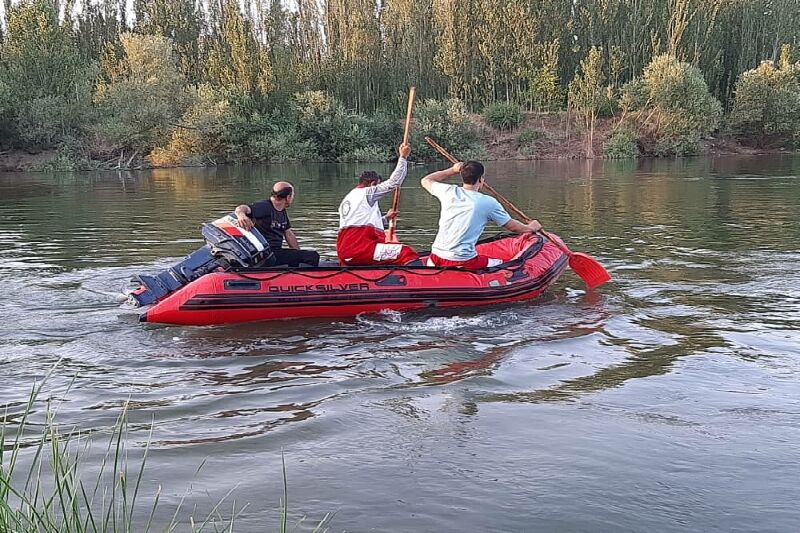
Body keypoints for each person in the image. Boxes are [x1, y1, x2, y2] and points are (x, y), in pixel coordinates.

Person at [420, 160, 542, 269]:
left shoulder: (448, 192)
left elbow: (426, 180)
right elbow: (512, 226)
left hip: (434, 258)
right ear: (480, 179)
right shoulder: (487, 202)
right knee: (511, 265)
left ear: (462, 177)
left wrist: (452, 170)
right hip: (463, 261)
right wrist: (531, 228)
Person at [336, 143, 419, 266]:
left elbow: (362, 222)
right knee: (407, 252)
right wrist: (403, 157)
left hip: (345, 251)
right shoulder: (367, 193)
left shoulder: (348, 199)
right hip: (360, 250)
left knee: (389, 251)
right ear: (373, 183)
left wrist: (386, 218)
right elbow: (394, 182)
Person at [234, 181, 320, 267]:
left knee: (303, 257)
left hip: (276, 253)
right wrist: (241, 215)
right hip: (266, 254)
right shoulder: (265, 206)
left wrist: (298, 253)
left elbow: (289, 234)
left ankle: (291, 276)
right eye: (293, 195)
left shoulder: (282, 211)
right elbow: (242, 208)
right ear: (288, 197)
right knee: (313, 256)